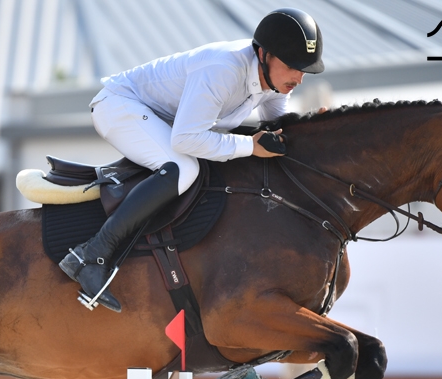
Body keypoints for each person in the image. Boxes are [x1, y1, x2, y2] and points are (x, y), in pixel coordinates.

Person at [59, 8, 325, 312]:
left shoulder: (274, 84)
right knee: (184, 168)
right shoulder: (224, 69)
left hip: (160, 119)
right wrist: (248, 147)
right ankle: (92, 253)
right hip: (119, 106)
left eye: (305, 70)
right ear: (263, 54)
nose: (300, 78)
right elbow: (186, 140)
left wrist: (313, 131)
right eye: (293, 66)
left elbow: (278, 129)